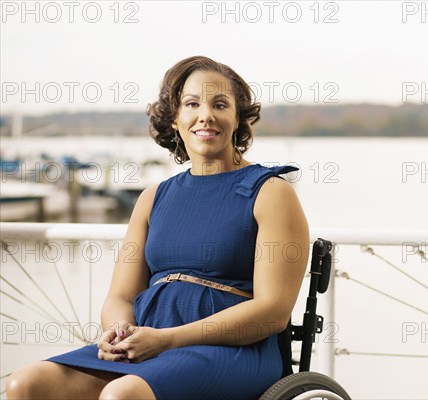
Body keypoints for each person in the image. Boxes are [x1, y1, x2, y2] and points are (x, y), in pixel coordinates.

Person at [6, 56, 310, 400]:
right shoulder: (154, 197)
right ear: (175, 118)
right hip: (148, 342)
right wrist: (119, 330)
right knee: (25, 384)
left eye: (220, 104)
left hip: (235, 349)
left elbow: (273, 313)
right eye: (192, 104)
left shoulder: (270, 192)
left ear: (237, 118)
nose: (205, 115)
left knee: (122, 394)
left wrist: (169, 339)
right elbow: (120, 296)